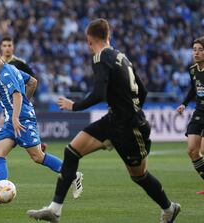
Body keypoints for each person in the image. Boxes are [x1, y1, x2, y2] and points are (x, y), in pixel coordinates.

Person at [27, 18, 180, 223]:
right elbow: (142, 92)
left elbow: (99, 93)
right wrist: (126, 109)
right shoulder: (122, 57)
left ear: (89, 40)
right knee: (71, 151)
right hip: (116, 120)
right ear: (109, 36)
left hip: (129, 127)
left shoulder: (100, 57)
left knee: (139, 175)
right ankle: (55, 210)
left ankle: (169, 209)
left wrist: (75, 106)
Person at [0, 45, 83, 204]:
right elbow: (32, 82)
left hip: (21, 121)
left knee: (38, 157)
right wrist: (20, 110)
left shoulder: (6, 74)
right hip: (11, 121)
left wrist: (16, 117)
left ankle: (74, 175)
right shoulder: (10, 69)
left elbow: (18, 96)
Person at [0, 36, 48, 152]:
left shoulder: (20, 63)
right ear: (1, 48)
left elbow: (32, 79)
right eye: (4, 46)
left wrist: (24, 98)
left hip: (18, 98)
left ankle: (0, 153)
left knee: (11, 123)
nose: (7, 48)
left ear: (13, 47)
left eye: (9, 45)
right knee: (9, 124)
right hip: (6, 100)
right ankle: (4, 151)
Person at [176, 36, 204, 195]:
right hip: (199, 111)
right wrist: (184, 104)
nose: (197, 53)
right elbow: (194, 89)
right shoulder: (193, 69)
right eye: (194, 50)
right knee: (192, 150)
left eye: (200, 49)